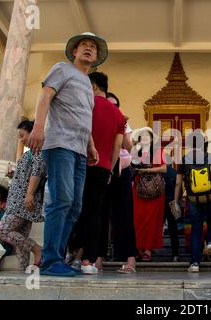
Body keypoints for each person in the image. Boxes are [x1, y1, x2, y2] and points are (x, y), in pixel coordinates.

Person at [29, 32, 108, 277]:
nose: (88, 49)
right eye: (83, 45)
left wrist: (91, 145)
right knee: (61, 201)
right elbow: (45, 96)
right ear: (74, 51)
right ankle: (50, 260)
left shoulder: (87, 83)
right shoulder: (62, 69)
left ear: (96, 56)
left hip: (79, 149)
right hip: (60, 144)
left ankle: (57, 257)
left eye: (93, 47)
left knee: (74, 207)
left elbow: (83, 117)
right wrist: (39, 126)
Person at [68, 72, 125, 275]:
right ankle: (88, 261)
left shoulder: (85, 105)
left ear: (92, 86)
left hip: (81, 161)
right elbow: (117, 147)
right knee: (95, 214)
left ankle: (69, 250)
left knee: (73, 208)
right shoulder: (119, 114)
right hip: (103, 168)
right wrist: (110, 169)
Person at [0, 120, 45, 270]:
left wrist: (29, 194)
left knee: (3, 231)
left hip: (22, 202)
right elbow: (26, 175)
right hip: (21, 199)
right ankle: (23, 269)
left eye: (23, 135)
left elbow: (37, 173)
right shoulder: (28, 154)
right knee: (19, 239)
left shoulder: (38, 152)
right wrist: (13, 174)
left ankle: (37, 249)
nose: (21, 139)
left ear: (33, 132)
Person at [174, 130, 211, 273]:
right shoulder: (210, 157)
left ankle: (195, 263)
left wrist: (176, 200)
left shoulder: (184, 159)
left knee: (196, 228)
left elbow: (178, 183)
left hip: (193, 198)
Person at [106, 96, 138, 274]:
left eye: (116, 106)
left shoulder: (122, 123)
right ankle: (96, 259)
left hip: (120, 169)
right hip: (101, 167)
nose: (113, 109)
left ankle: (131, 259)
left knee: (125, 215)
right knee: (100, 216)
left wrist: (122, 126)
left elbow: (129, 146)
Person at [132, 127, 167, 262]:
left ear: (152, 139)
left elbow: (164, 168)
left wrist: (149, 170)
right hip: (138, 190)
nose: (145, 138)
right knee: (137, 219)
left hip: (155, 191)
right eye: (142, 136)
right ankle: (138, 249)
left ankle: (147, 250)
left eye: (148, 136)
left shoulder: (158, 151)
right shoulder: (136, 152)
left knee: (152, 221)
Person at [164, 153, 180, 262]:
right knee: (174, 228)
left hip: (160, 203)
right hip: (173, 203)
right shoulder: (175, 173)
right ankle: (175, 254)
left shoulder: (161, 172)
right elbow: (179, 187)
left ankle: (149, 251)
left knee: (156, 227)